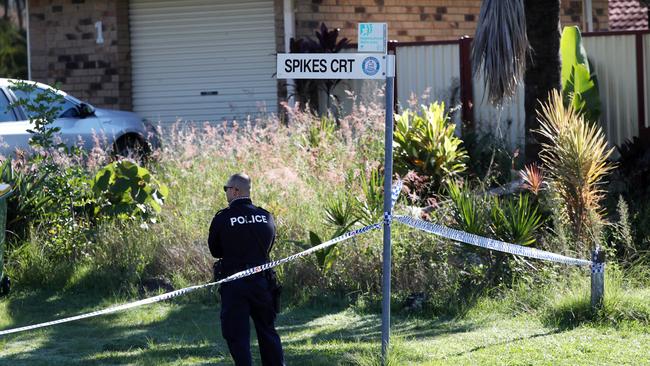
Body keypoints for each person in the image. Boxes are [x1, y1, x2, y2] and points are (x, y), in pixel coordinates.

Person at [208, 173, 285, 366]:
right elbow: (269, 246)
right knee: (267, 330)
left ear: (235, 190)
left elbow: (215, 251)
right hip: (262, 281)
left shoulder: (222, 218)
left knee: (237, 335)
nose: (225, 193)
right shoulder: (266, 216)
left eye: (226, 189)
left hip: (234, 284)